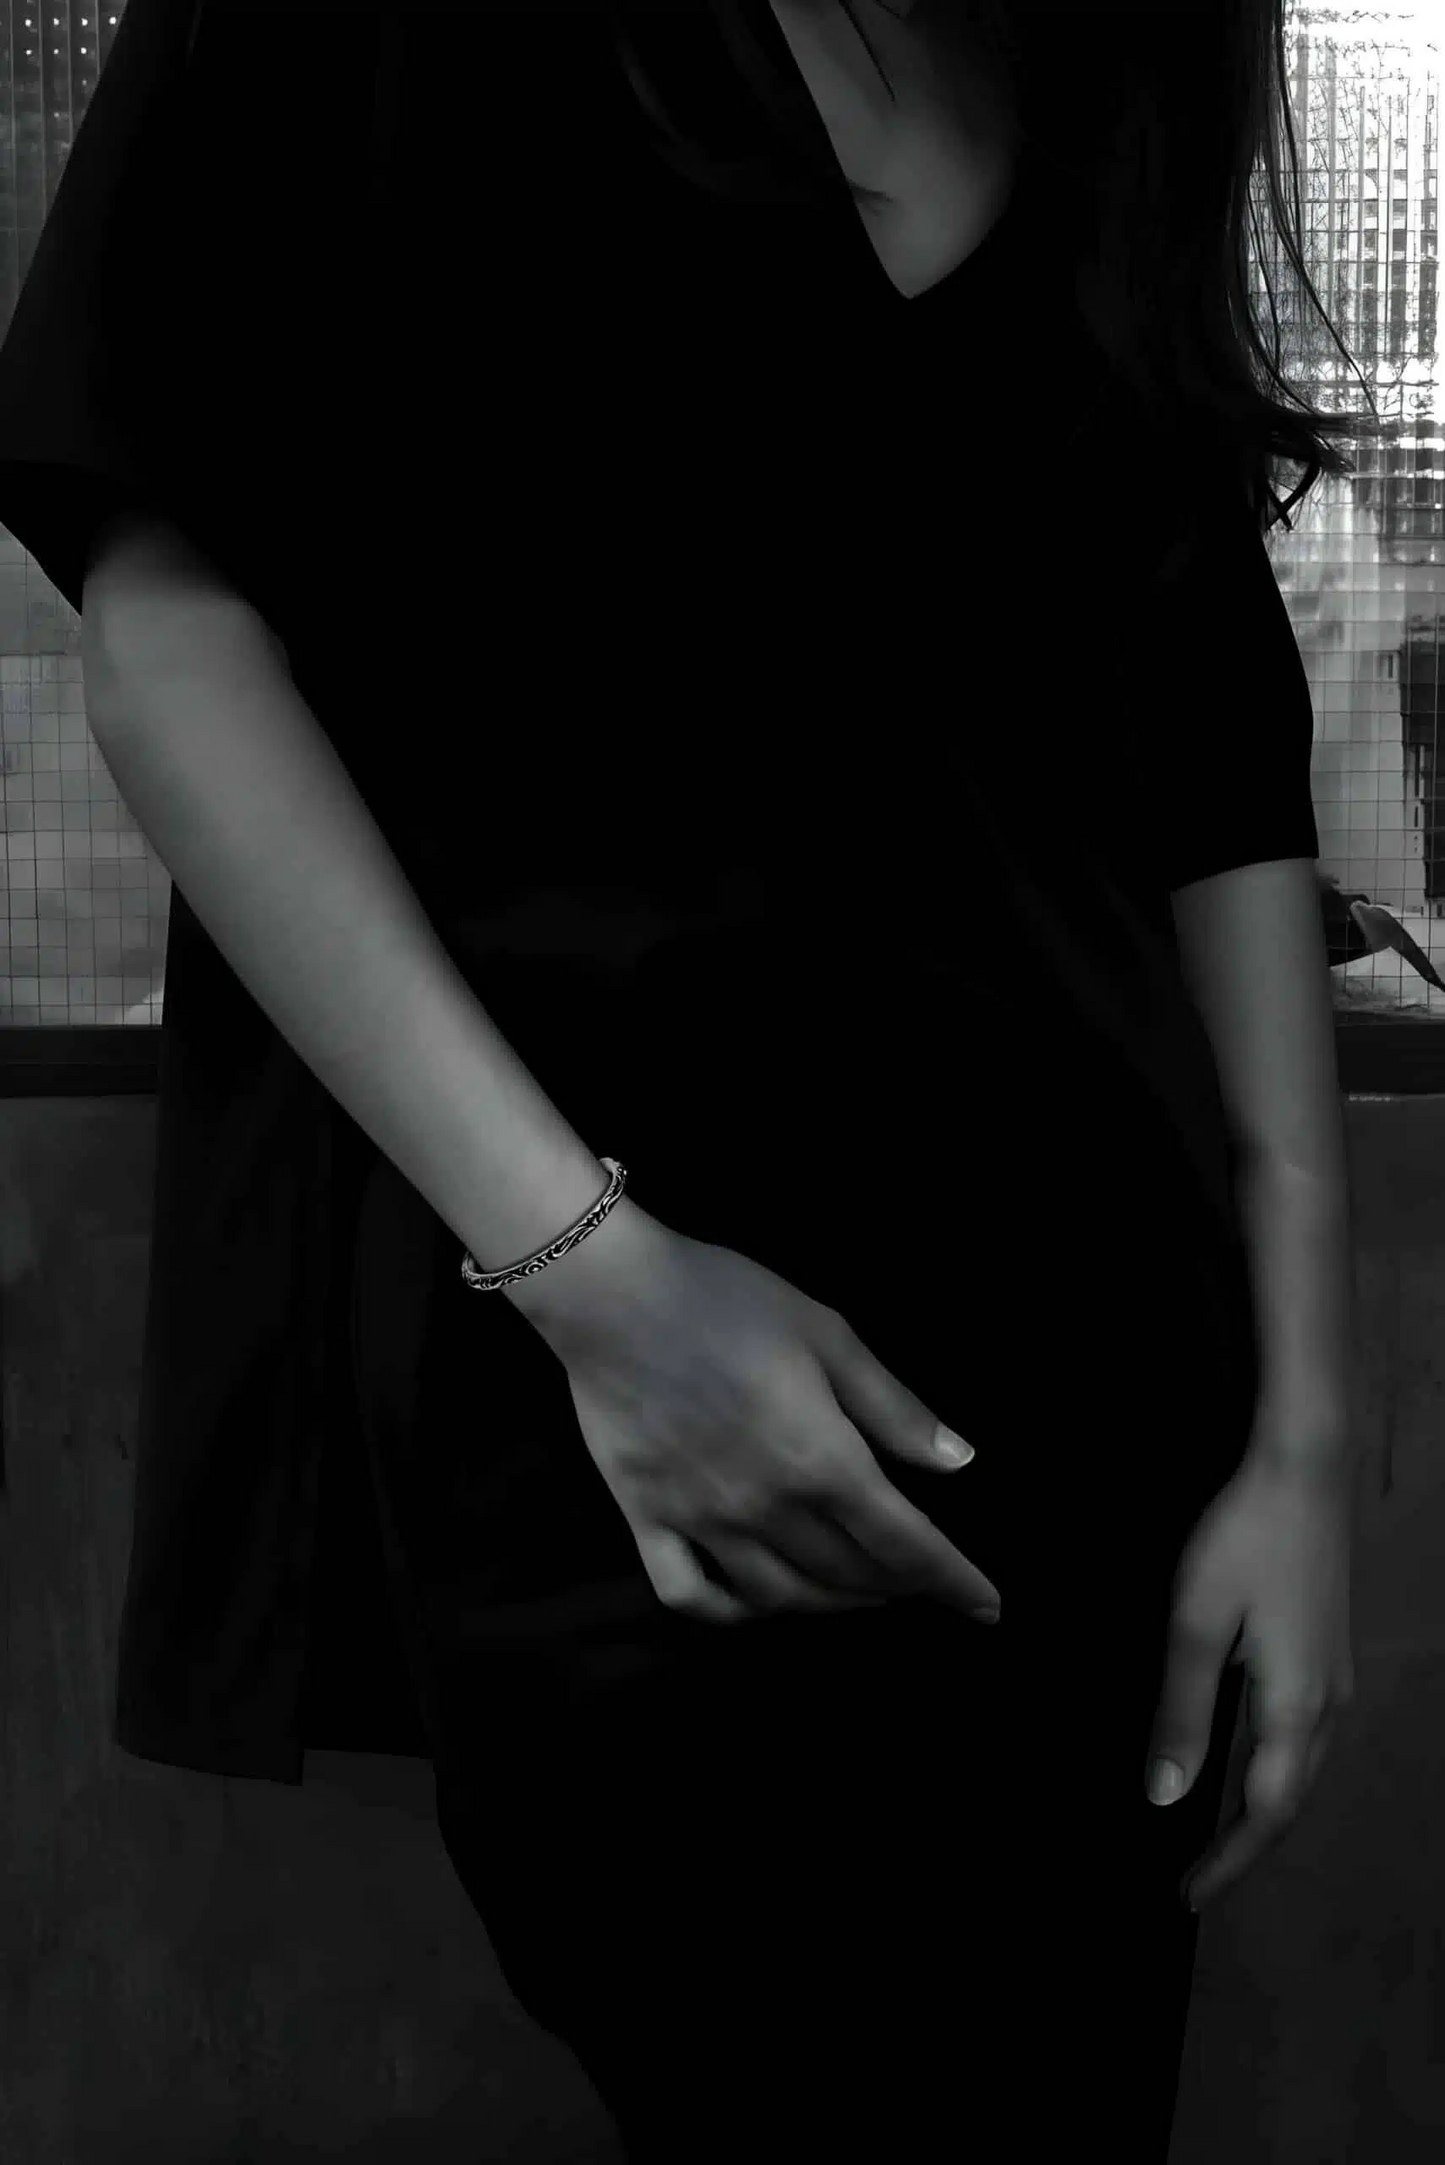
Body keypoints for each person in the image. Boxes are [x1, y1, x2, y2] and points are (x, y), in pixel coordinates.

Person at [0, 1, 1366, 2156]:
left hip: (1110, 1407)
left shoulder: (1107, 43)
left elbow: (1208, 751)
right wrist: (597, 1282)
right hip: (617, 1388)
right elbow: (169, 631)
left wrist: (1301, 1438)